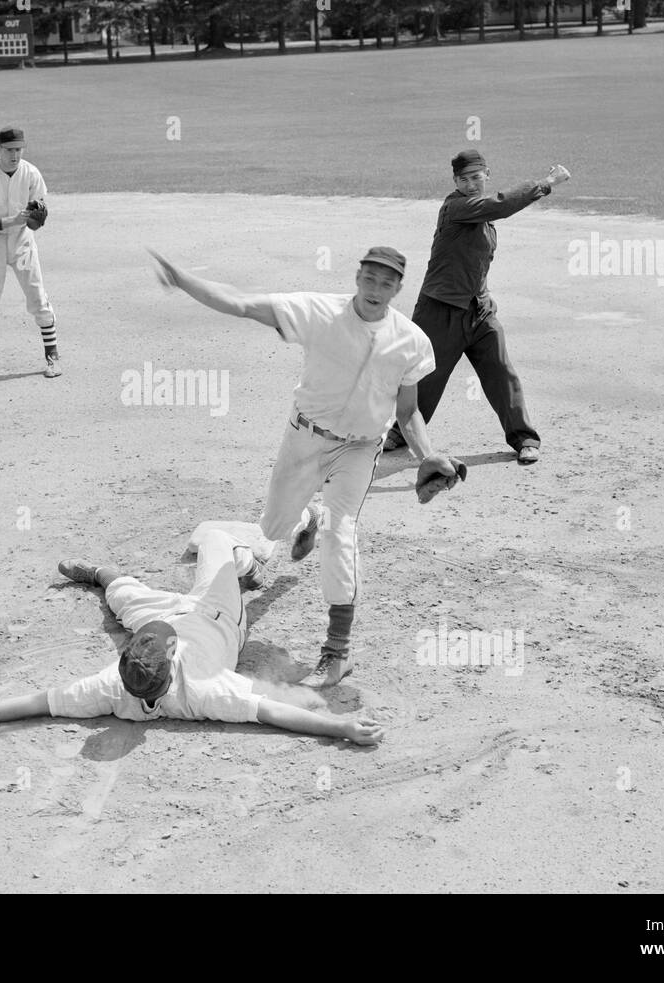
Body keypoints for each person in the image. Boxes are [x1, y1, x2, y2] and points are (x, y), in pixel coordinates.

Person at [147, 245, 461, 688]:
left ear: (398, 288)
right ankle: (305, 519)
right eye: (370, 278)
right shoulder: (317, 312)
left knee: (341, 533)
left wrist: (426, 455)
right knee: (273, 530)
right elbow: (241, 304)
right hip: (304, 439)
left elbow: (407, 411)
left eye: (387, 283)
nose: (376, 289)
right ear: (357, 278)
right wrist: (183, 281)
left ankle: (337, 651)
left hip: (359, 449)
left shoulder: (411, 342)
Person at [0, 526, 385, 745]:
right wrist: (340, 726)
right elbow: (276, 712)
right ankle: (263, 550)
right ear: (172, 655)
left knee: (118, 593)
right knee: (212, 534)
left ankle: (101, 572)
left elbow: (36, 702)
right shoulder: (204, 690)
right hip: (216, 612)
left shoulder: (113, 687)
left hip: (166, 614)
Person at [383, 150, 571, 464]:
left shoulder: (483, 220)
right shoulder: (456, 207)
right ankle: (402, 433)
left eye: (476, 177)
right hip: (440, 310)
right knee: (427, 376)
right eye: (464, 179)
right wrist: (548, 182)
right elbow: (501, 204)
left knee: (501, 372)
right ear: (455, 181)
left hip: (480, 310)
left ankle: (524, 438)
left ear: (487, 174)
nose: (471, 184)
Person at [0, 125, 61, 379]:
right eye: (9, 150)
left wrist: (38, 217)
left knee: (38, 297)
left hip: (22, 243)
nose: (14, 155)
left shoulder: (31, 174)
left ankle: (52, 357)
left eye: (18, 149)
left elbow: (39, 212)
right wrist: (14, 220)